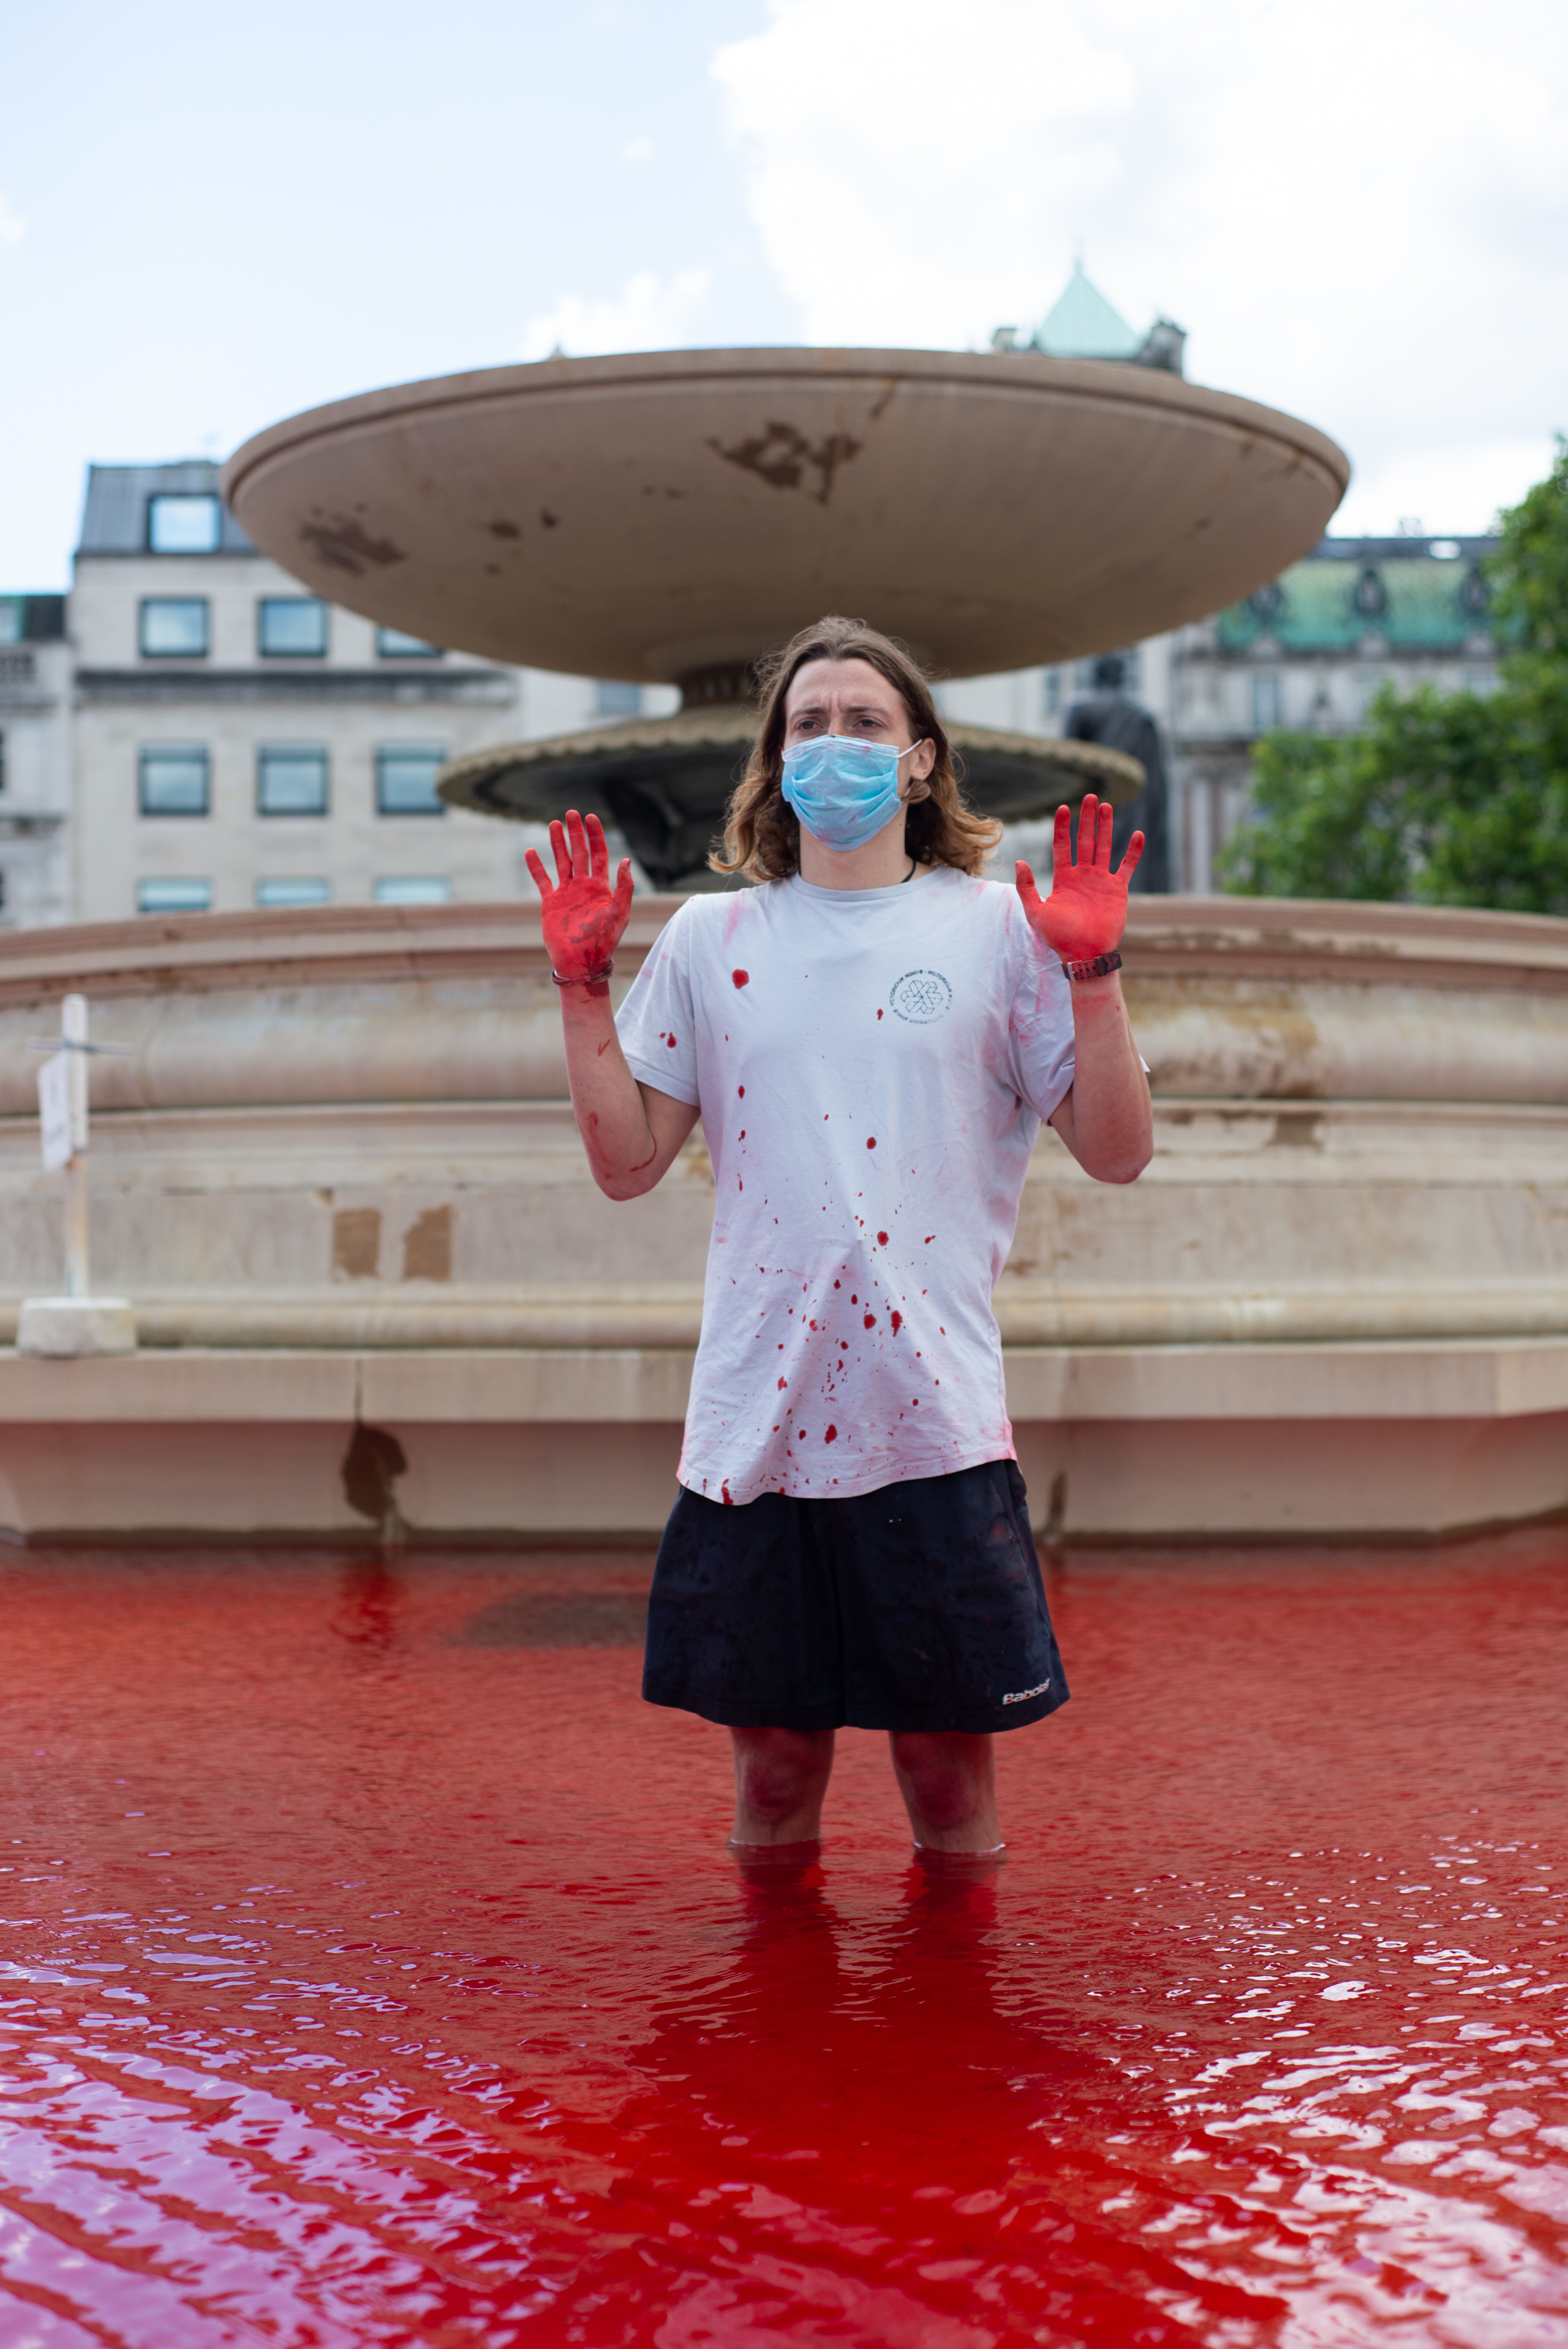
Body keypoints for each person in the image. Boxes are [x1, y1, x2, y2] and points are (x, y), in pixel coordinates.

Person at [526, 616, 1152, 1860]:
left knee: (941, 1775)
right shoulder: (712, 941)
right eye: (805, 725)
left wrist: (1094, 977)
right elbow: (625, 1165)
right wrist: (581, 990)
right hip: (755, 1418)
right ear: (773, 760)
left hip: (932, 1420)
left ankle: (947, 2044)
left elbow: (1117, 1148)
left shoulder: (997, 931)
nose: (834, 746)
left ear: (918, 757)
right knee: (769, 1778)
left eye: (864, 722)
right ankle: (779, 2046)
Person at [1064, 652, 1170, 893]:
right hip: (1132, 808)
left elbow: (1068, 767)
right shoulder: (1142, 717)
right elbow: (1154, 782)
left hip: (1090, 805)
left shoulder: (1081, 710)